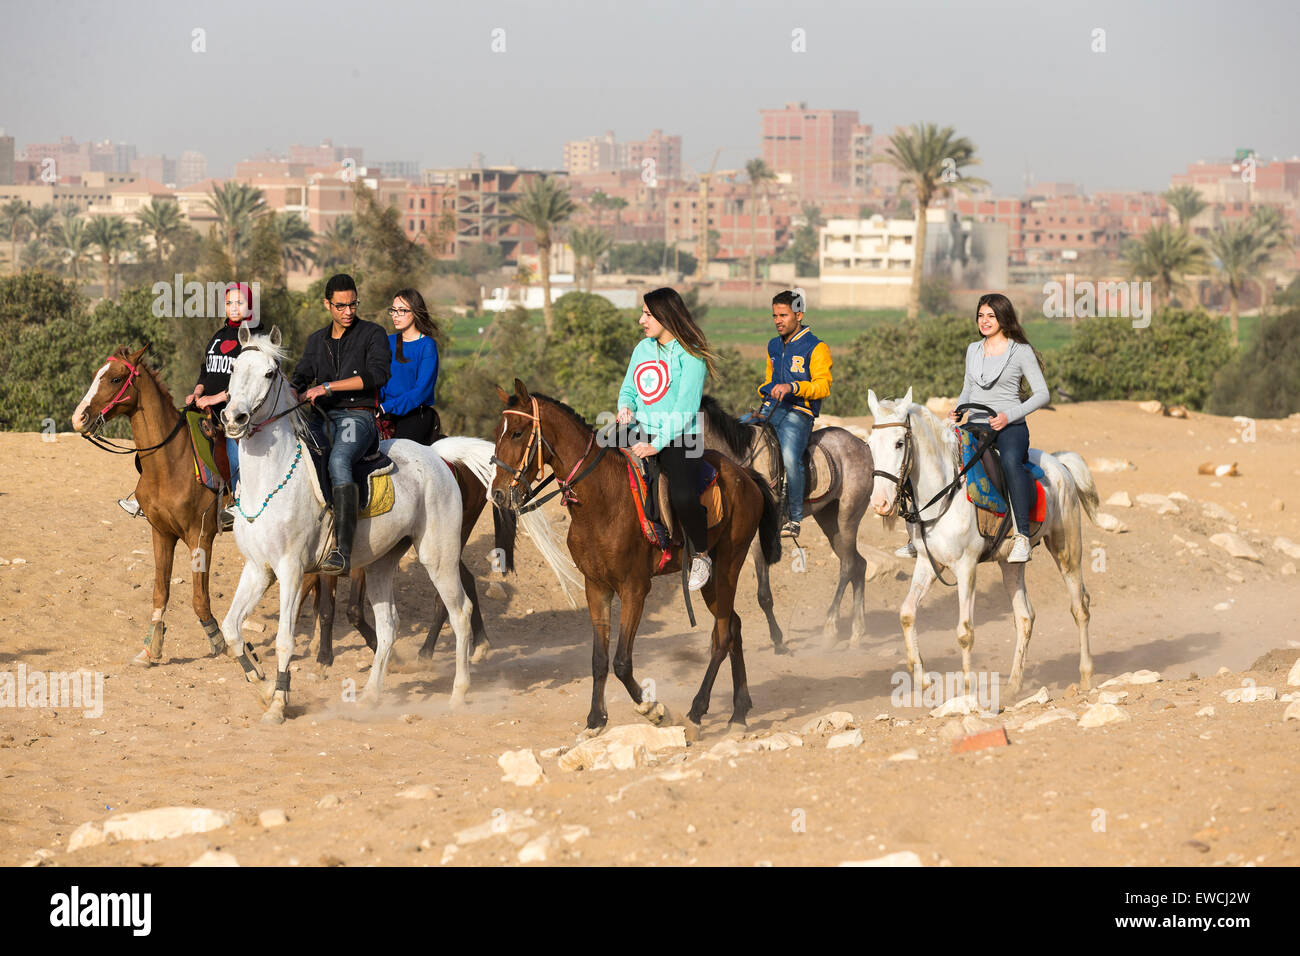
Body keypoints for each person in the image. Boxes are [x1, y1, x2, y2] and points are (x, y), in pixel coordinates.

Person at [899, 292, 1048, 563]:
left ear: (1004, 318)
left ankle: (1022, 536)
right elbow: (969, 388)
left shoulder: (1020, 351)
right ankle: (916, 536)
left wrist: (1008, 416)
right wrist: (959, 409)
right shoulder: (973, 349)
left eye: (991, 316)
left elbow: (1042, 395)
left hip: (1009, 427)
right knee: (931, 457)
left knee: (1011, 464)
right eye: (981, 315)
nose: (984, 321)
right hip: (975, 424)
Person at [118, 282, 260, 524]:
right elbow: (206, 370)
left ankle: (238, 502)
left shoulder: (253, 338)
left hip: (235, 411)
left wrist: (215, 398)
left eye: (239, 302)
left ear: (250, 306)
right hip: (205, 407)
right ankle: (144, 497)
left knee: (234, 451)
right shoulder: (218, 337)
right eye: (229, 303)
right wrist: (198, 392)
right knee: (168, 438)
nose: (233, 307)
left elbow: (247, 380)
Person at [616, 287, 719, 591]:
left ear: (665, 315)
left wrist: (656, 443)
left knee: (683, 496)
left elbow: (684, 410)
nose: (641, 320)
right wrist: (625, 407)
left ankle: (701, 553)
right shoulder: (642, 349)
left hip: (680, 436)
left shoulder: (693, 356)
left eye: (647, 314)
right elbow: (629, 389)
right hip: (642, 428)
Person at [290, 274, 392, 574]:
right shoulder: (315, 341)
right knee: (298, 458)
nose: (348, 311)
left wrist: (328, 387)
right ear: (327, 304)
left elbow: (377, 376)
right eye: (341, 306)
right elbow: (300, 376)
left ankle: (342, 551)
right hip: (320, 418)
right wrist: (292, 390)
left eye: (353, 304)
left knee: (338, 460)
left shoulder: (373, 334)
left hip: (358, 416)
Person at [741, 289, 832, 538]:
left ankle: (794, 517)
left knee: (791, 457)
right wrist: (766, 390)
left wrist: (794, 387)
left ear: (799, 315)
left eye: (783, 315)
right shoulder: (772, 345)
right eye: (774, 315)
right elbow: (769, 380)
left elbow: (823, 386)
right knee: (735, 431)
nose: (777, 320)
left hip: (798, 413)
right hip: (771, 409)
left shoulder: (817, 347)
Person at [379, 288, 440, 443]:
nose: (395, 315)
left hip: (414, 415)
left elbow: (421, 391)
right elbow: (378, 378)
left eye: (402, 310)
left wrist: (387, 407)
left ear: (415, 312)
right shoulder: (387, 341)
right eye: (393, 310)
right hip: (383, 411)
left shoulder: (427, 346)